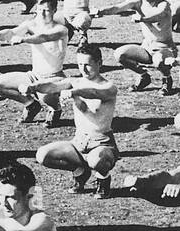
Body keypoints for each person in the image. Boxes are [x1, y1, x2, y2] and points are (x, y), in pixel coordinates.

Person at [34, 44, 119, 197]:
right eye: (80, 64)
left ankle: (103, 179)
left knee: (97, 161)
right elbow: (52, 86)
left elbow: (93, 92)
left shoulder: (109, 87)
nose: (83, 69)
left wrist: (74, 92)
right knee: (43, 155)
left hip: (101, 143)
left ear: (99, 63)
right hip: (78, 142)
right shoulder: (76, 81)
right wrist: (33, 87)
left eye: (87, 65)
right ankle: (80, 172)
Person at [0, 0, 69, 125]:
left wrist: (24, 39)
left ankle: (55, 109)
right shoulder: (32, 24)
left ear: (54, 10)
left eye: (46, 10)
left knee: (46, 96)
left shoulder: (61, 29)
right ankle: (31, 104)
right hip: (33, 75)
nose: (42, 14)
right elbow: (11, 32)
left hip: (54, 76)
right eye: (39, 9)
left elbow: (43, 37)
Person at [92, 0, 175, 94]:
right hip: (147, 48)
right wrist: (100, 11)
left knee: (159, 61)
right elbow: (117, 8)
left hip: (165, 49)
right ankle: (143, 76)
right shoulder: (138, 2)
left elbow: (157, 16)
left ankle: (167, 79)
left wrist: (142, 19)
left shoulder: (164, 5)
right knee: (119, 54)